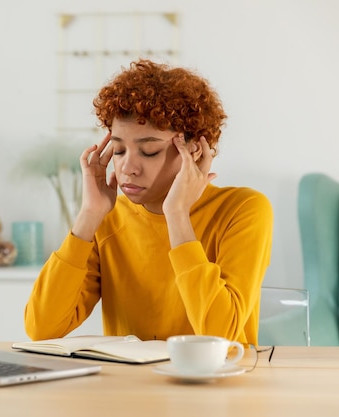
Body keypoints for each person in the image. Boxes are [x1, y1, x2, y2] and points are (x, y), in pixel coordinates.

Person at [24, 59, 273, 346]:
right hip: (130, 388)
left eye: (150, 151)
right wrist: (89, 215)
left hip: (215, 386)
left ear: (193, 150)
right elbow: (41, 327)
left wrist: (177, 215)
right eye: (118, 150)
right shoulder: (108, 218)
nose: (128, 167)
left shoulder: (243, 210)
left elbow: (219, 335)